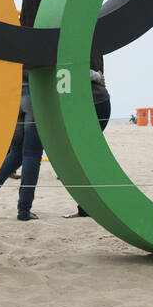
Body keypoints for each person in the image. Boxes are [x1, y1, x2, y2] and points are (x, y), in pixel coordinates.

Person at [0, 0, 48, 221]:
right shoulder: (44, 32)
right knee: (31, 154)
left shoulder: (15, 30)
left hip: (15, 97)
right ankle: (24, 210)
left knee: (16, 152)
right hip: (35, 97)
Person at [63, 51, 112, 218]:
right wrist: (96, 76)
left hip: (93, 102)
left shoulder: (83, 42)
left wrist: (96, 76)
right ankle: (88, 206)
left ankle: (88, 207)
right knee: (89, 154)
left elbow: (76, 70)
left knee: (86, 155)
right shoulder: (94, 40)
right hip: (98, 101)